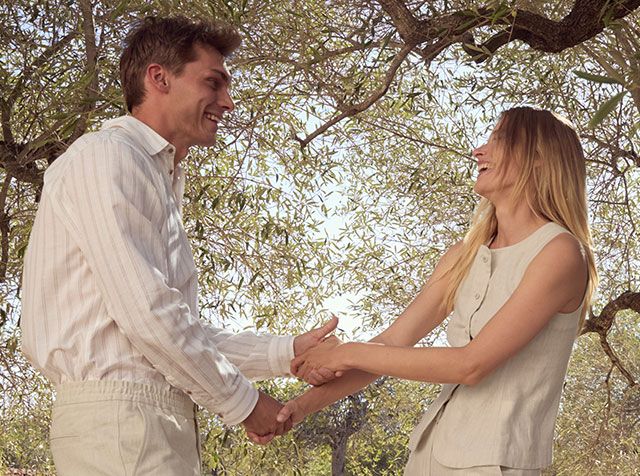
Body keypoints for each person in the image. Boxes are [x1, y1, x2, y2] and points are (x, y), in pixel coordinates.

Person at [20, 15, 337, 475]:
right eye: (213, 82)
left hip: (142, 422)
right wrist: (245, 404)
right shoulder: (108, 156)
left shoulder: (150, 172)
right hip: (123, 425)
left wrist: (287, 351)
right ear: (159, 78)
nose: (228, 102)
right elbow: (148, 315)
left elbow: (167, 326)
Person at [278, 106, 598, 475]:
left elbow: (470, 365)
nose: (479, 151)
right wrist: (298, 408)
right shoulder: (463, 256)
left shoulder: (560, 254)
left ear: (539, 157)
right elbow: (391, 343)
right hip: (427, 457)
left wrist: (345, 353)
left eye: (499, 140)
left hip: (495, 466)